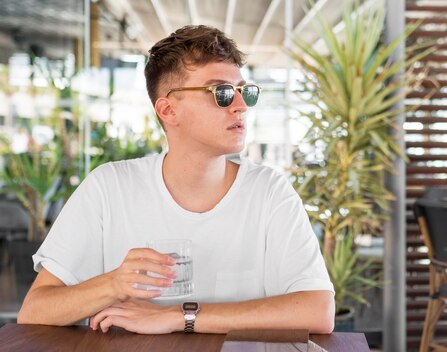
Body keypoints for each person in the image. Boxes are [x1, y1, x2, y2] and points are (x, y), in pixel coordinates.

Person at [17, 25, 335, 334]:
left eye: (244, 92)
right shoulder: (109, 187)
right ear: (168, 110)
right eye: (221, 93)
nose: (240, 106)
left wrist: (179, 316)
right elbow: (35, 310)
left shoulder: (269, 192)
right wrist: (113, 284)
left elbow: (318, 311)